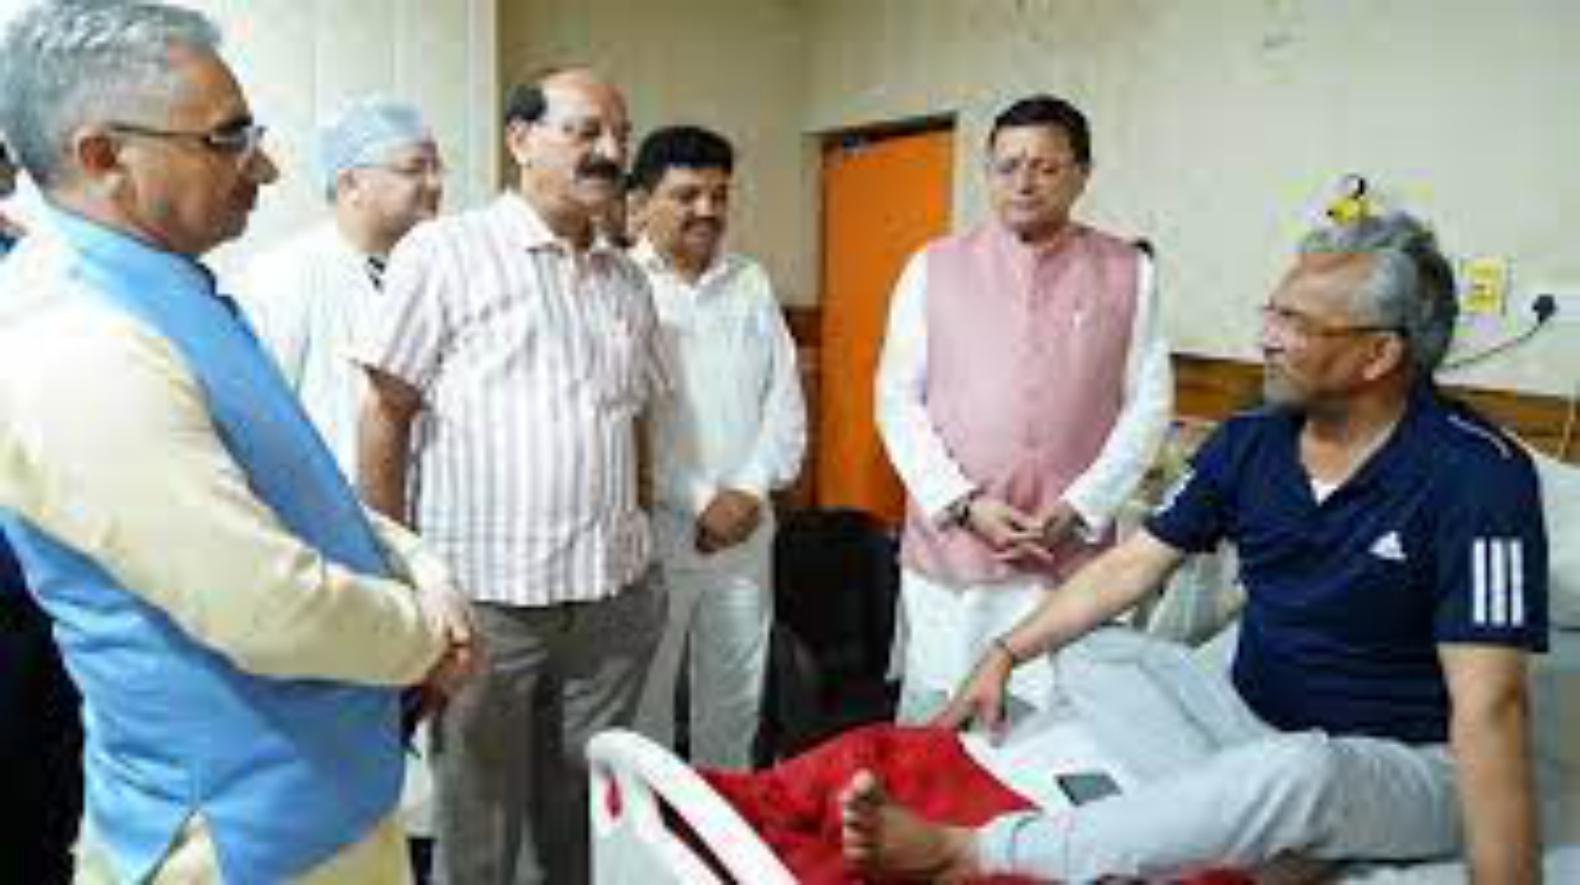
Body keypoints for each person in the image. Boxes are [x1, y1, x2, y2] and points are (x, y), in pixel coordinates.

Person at [840, 211, 1547, 883]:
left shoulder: (1477, 476)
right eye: (1271, 313)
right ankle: (1264, 828)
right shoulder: (1252, 440)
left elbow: (1493, 705)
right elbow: (1131, 566)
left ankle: (973, 851)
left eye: (1295, 323)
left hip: (1397, 764)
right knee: (1089, 650)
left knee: (1303, 773)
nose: (1266, 339)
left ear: (1379, 353)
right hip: (1249, 722)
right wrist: (1004, 653)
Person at [0, 2, 476, 881]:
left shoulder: (168, 286)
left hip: (330, 794)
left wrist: (417, 564)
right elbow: (267, 607)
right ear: (102, 156)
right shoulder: (76, 339)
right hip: (238, 837)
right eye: (228, 140)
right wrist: (427, 635)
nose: (266, 166)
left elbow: (298, 484)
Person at [354, 67, 670, 883]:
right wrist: (396, 572)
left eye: (621, 135)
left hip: (609, 602)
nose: (609, 152)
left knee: (581, 820)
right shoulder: (445, 252)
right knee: (479, 824)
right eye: (585, 131)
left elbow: (634, 417)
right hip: (487, 604)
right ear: (520, 139)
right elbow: (385, 412)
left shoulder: (628, 279)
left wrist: (640, 544)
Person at [876, 94, 1172, 723]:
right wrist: (962, 503)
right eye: (1007, 166)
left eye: (1045, 166)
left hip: (1065, 554)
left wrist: (1083, 505)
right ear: (988, 173)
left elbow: (1149, 404)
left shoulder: (1129, 272)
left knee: (1047, 727)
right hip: (956, 546)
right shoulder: (932, 267)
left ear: (1081, 175)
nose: (1023, 182)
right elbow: (896, 400)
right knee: (939, 713)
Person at [629, 125, 807, 770]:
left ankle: (723, 824)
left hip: (746, 532)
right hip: (655, 533)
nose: (707, 209)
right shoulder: (621, 284)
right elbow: (625, 423)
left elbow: (784, 401)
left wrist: (748, 491)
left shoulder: (749, 281)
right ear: (641, 202)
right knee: (645, 706)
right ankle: (645, 834)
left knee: (734, 700)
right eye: (686, 195)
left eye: (719, 194)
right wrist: (703, 500)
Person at [237, 95, 443, 472]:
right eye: (414, 169)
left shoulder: (439, 271)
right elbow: (256, 422)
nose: (435, 183)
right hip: (327, 501)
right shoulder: (284, 275)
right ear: (350, 184)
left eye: (438, 168)